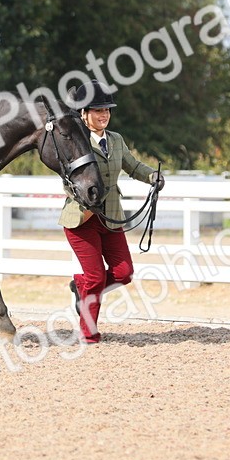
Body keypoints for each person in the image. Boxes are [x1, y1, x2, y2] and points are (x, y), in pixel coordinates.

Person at [58, 81, 164, 343]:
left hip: (111, 218)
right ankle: (89, 334)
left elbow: (132, 165)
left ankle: (81, 288)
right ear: (84, 113)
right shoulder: (75, 141)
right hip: (82, 219)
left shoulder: (116, 140)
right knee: (94, 276)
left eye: (106, 110)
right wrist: (86, 200)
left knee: (124, 272)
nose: (104, 115)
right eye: (97, 110)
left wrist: (152, 176)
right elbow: (68, 179)